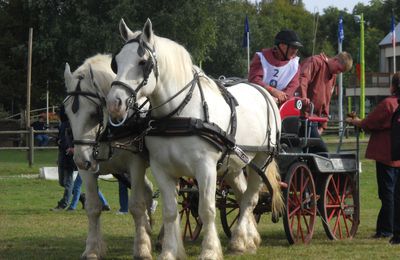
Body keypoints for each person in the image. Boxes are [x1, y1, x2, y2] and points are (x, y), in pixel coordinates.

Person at [346, 72, 400, 245]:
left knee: (387, 194)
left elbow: (370, 122)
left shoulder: (388, 104)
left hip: (386, 154)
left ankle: (386, 229)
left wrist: (354, 121)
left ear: (393, 86)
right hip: (397, 155)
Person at [299, 51, 353, 135]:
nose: (338, 72)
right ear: (335, 60)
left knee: (314, 146)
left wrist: (323, 125)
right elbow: (303, 79)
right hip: (303, 116)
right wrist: (303, 97)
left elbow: (327, 100)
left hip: (315, 120)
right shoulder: (316, 62)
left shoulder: (333, 77)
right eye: (338, 68)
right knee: (320, 148)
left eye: (341, 71)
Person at [248, 29, 303, 104]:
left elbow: (292, 88)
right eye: (293, 47)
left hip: (280, 105)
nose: (295, 51)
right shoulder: (261, 57)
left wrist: (278, 99)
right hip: (257, 100)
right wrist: (272, 91)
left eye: (297, 48)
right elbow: (254, 80)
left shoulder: (295, 65)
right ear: (282, 46)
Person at [51, 107, 76, 210]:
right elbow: (61, 138)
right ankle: (82, 197)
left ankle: (64, 203)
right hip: (62, 154)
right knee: (62, 182)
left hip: (69, 156)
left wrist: (72, 148)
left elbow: (72, 138)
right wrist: (57, 141)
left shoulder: (71, 124)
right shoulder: (62, 124)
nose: (57, 115)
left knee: (68, 182)